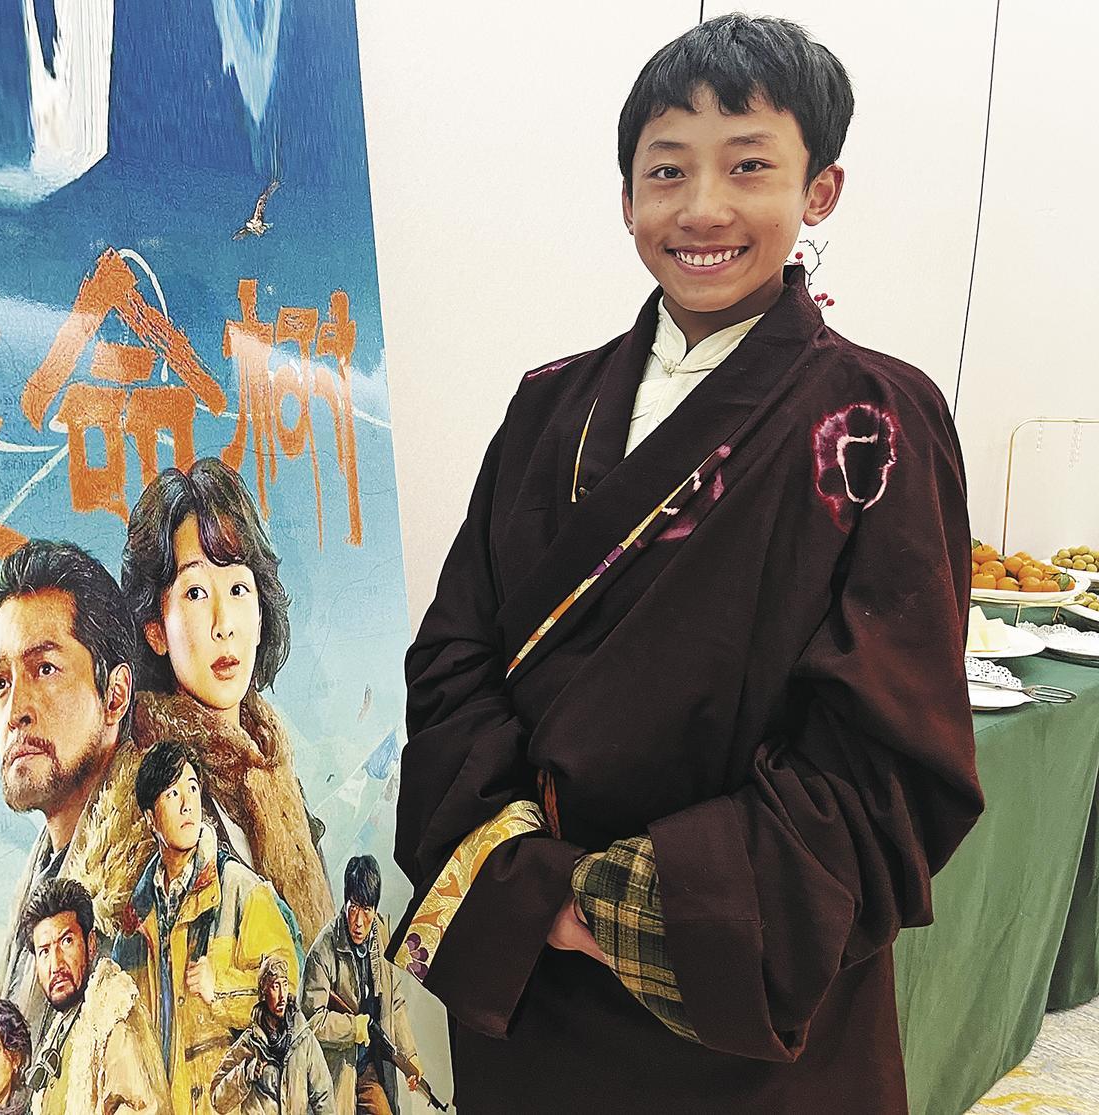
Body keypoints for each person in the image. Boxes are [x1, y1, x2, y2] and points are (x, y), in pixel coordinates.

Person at [387, 15, 982, 1114]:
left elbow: (890, 749)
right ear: (626, 198)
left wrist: (626, 908)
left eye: (749, 166)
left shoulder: (877, 420)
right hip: (536, 962)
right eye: (667, 171)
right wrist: (535, 886)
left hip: (736, 981)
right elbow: (455, 653)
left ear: (820, 190)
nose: (702, 209)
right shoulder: (548, 406)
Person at [120, 457, 333, 942]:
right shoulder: (143, 785)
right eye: (195, 593)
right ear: (155, 629)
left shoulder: (273, 765)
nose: (224, 624)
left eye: (238, 588)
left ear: (260, 615)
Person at [0, 540, 157, 1037]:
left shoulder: (154, 886)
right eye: (0, 682)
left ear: (115, 696)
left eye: (45, 669)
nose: (16, 710)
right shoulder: (41, 877)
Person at [113, 740, 300, 1115]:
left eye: (193, 788)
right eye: (172, 793)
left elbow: (289, 992)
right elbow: (123, 1024)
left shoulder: (240, 889)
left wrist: (221, 989)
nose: (187, 804)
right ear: (150, 818)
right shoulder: (137, 920)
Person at [18, 877, 169, 1115]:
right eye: (44, 951)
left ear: (91, 944)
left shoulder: (112, 1017)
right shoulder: (62, 1029)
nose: (56, 964)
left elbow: (143, 1109)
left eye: (66, 941)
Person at [302, 856, 421, 1115]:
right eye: (353, 907)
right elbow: (311, 1021)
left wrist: (409, 1056)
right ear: (345, 902)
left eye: (366, 909)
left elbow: (394, 1000)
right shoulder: (323, 950)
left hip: (372, 1067)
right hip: (337, 1069)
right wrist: (352, 1028)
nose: (358, 920)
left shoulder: (381, 936)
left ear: (375, 909)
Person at [212, 954, 334, 1115]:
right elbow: (217, 1100)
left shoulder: (304, 1039)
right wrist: (245, 1073)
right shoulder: (250, 1043)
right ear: (264, 992)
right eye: (275, 986)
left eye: (285, 985)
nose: (282, 995)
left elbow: (323, 1096)